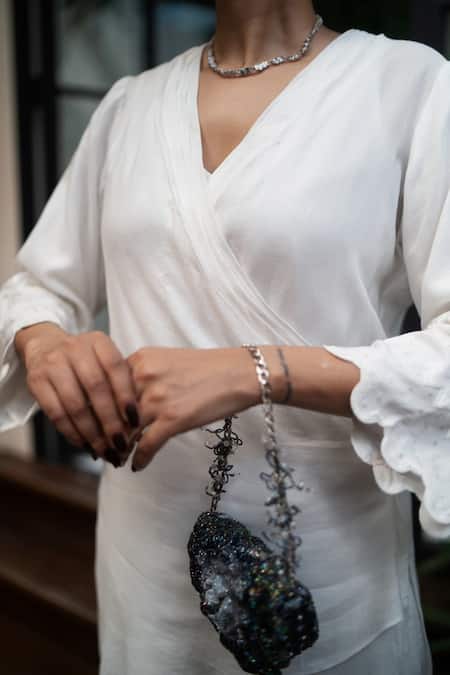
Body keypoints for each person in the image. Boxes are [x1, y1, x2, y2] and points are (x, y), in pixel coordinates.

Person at [1, 0, 449, 672]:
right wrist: (45, 343)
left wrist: (255, 369)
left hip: (332, 572)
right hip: (145, 561)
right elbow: (40, 284)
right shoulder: (130, 106)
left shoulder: (411, 86)